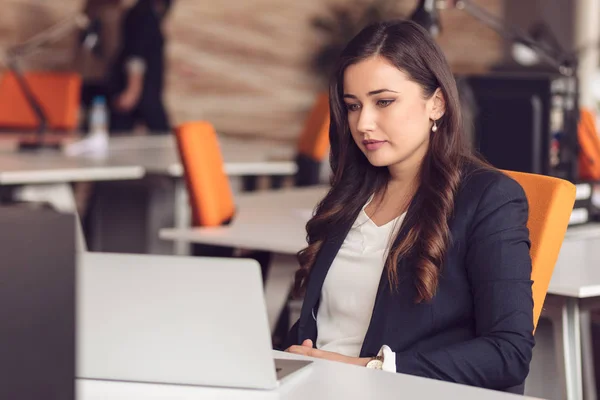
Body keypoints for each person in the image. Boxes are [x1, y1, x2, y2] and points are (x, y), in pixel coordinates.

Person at [283, 20, 534, 394]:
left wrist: (373, 368)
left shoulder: (489, 198)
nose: (363, 123)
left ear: (436, 103)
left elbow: (509, 353)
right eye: (353, 106)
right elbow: (323, 325)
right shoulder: (349, 196)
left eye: (384, 101)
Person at [108, 0, 172, 133]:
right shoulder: (142, 14)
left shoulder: (152, 13)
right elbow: (135, 55)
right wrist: (133, 90)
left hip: (147, 91)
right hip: (142, 93)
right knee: (161, 135)